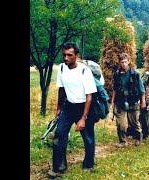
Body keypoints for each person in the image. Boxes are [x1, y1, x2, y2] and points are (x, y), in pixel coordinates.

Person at [48, 43, 98, 177]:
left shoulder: (84, 71)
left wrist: (83, 118)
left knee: (88, 138)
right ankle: (59, 167)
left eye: (69, 55)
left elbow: (89, 96)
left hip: (84, 107)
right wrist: (58, 108)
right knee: (59, 134)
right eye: (64, 55)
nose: (66, 58)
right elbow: (61, 89)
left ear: (77, 56)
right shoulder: (62, 68)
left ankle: (88, 164)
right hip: (69, 106)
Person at [112, 53, 145, 147]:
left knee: (134, 122)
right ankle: (122, 141)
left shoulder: (135, 74)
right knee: (120, 124)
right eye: (122, 62)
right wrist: (113, 103)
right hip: (120, 101)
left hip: (132, 101)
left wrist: (142, 102)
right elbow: (115, 89)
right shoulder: (117, 74)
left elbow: (141, 89)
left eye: (125, 62)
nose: (123, 64)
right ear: (119, 63)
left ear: (129, 62)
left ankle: (138, 138)